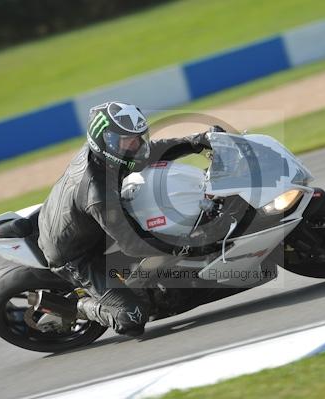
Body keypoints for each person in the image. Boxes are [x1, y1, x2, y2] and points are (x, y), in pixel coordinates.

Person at [37, 101, 230, 336]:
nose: (136, 146)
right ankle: (75, 306)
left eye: (138, 138)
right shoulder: (97, 192)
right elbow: (133, 245)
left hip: (81, 222)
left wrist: (198, 140)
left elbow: (152, 152)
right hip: (75, 256)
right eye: (127, 141)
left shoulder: (104, 155)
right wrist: (188, 248)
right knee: (132, 318)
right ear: (104, 141)